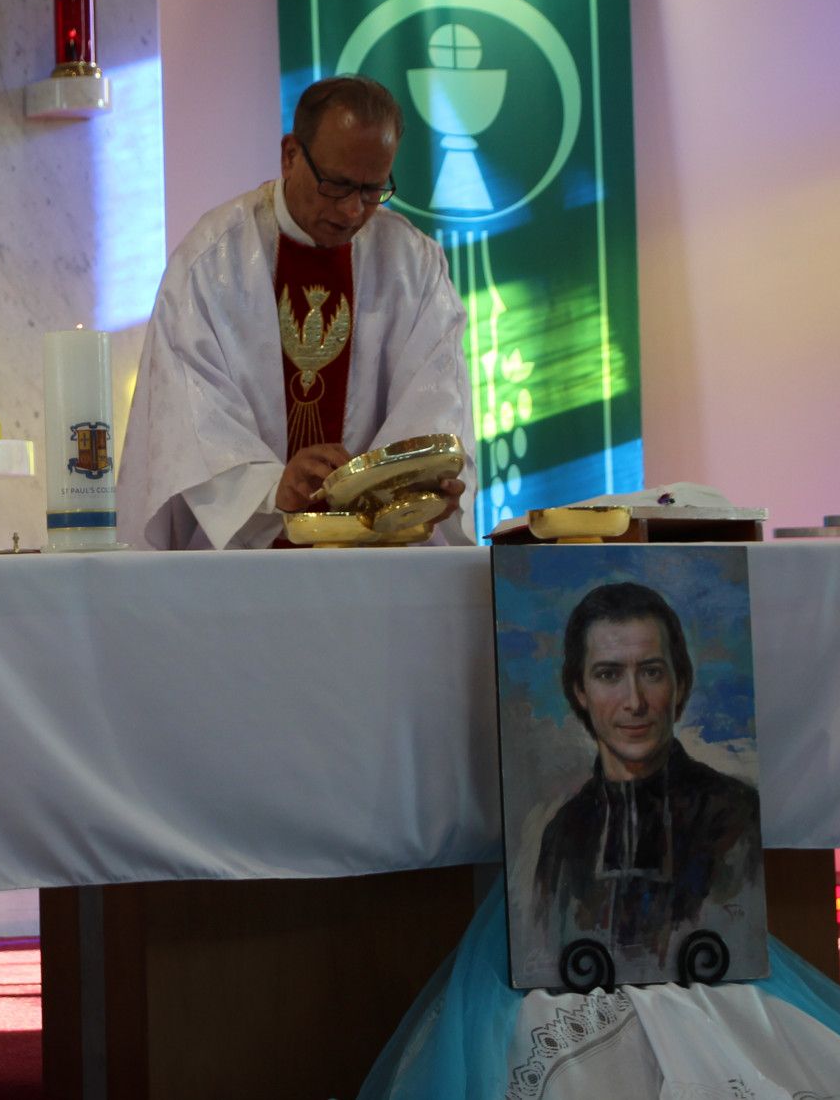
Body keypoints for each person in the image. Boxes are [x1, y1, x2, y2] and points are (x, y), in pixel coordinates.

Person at [118, 74, 474, 549]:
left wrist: (419, 481)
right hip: (245, 560)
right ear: (290, 155)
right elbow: (188, 413)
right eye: (337, 185)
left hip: (375, 561)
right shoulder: (212, 260)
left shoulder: (413, 265)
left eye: (372, 190)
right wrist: (272, 487)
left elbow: (436, 396)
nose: (352, 211)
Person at [530, 582, 760, 972]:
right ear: (580, 690)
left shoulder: (735, 813)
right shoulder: (564, 834)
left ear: (679, 684)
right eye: (609, 675)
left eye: (651, 672)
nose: (634, 702)